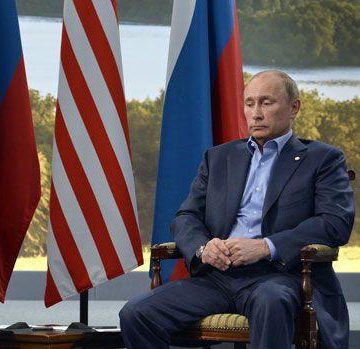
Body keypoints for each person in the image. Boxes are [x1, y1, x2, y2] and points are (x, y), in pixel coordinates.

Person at [119, 70, 355, 349]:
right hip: (218, 277)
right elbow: (187, 216)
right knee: (136, 313)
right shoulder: (219, 157)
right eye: (249, 103)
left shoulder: (322, 159)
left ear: (294, 108)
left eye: (266, 103)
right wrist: (203, 248)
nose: (255, 113)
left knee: (272, 301)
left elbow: (335, 222)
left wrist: (266, 246)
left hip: (281, 277)